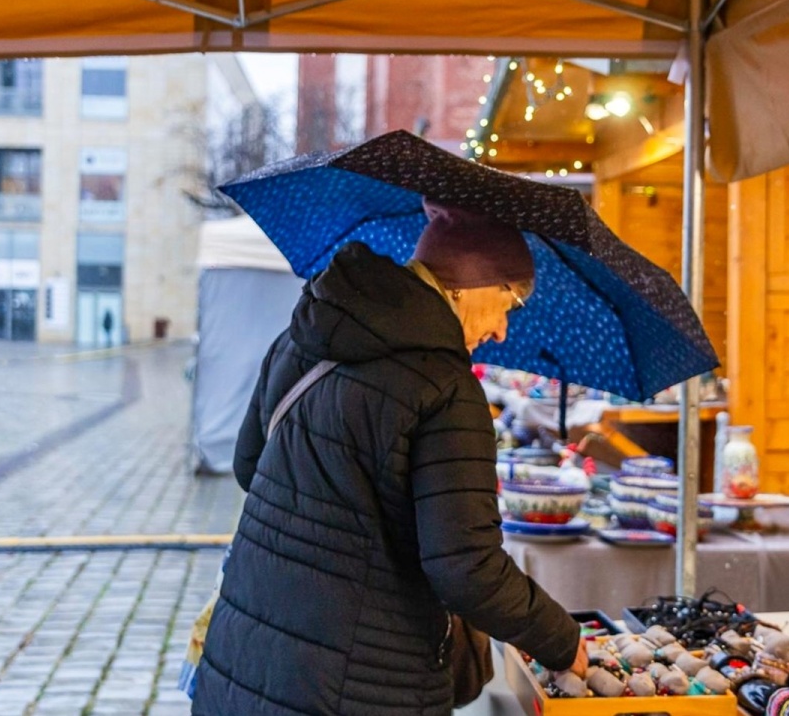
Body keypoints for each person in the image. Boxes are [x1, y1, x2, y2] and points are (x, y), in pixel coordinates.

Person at [193, 199, 587, 715]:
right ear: (470, 281)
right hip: (358, 680)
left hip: (249, 655)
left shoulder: (302, 337)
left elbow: (252, 467)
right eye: (509, 303)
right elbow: (467, 569)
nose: (502, 331)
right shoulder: (446, 391)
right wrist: (562, 639)